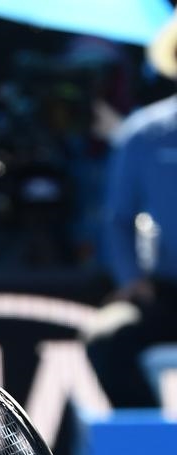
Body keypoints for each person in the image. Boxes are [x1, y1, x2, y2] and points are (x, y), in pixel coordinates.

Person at [82, 9, 177, 408]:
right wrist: (132, 279)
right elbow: (118, 219)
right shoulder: (143, 133)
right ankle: (153, 438)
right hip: (167, 293)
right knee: (107, 337)